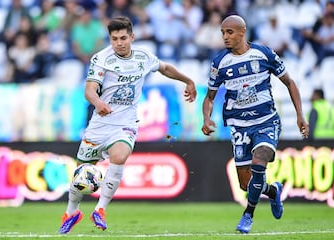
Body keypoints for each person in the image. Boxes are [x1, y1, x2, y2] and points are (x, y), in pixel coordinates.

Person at [58, 16, 197, 234]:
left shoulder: (143, 57)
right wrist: (98, 102)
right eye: (114, 39)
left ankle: (100, 209)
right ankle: (72, 211)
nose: (119, 43)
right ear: (110, 39)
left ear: (131, 37)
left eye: (123, 38)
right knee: (80, 174)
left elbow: (165, 68)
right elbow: (89, 90)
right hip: (100, 123)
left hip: (126, 123)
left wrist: (188, 80)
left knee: (120, 156)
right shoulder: (101, 59)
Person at [201, 15, 309, 234]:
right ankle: (273, 190)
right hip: (239, 126)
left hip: (266, 121)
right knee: (245, 184)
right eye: (222, 33)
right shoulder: (219, 62)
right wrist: (206, 117)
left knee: (259, 162)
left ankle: (247, 215)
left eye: (229, 32)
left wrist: (300, 115)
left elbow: (290, 82)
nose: (225, 37)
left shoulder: (264, 54)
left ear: (242, 32)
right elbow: (210, 97)